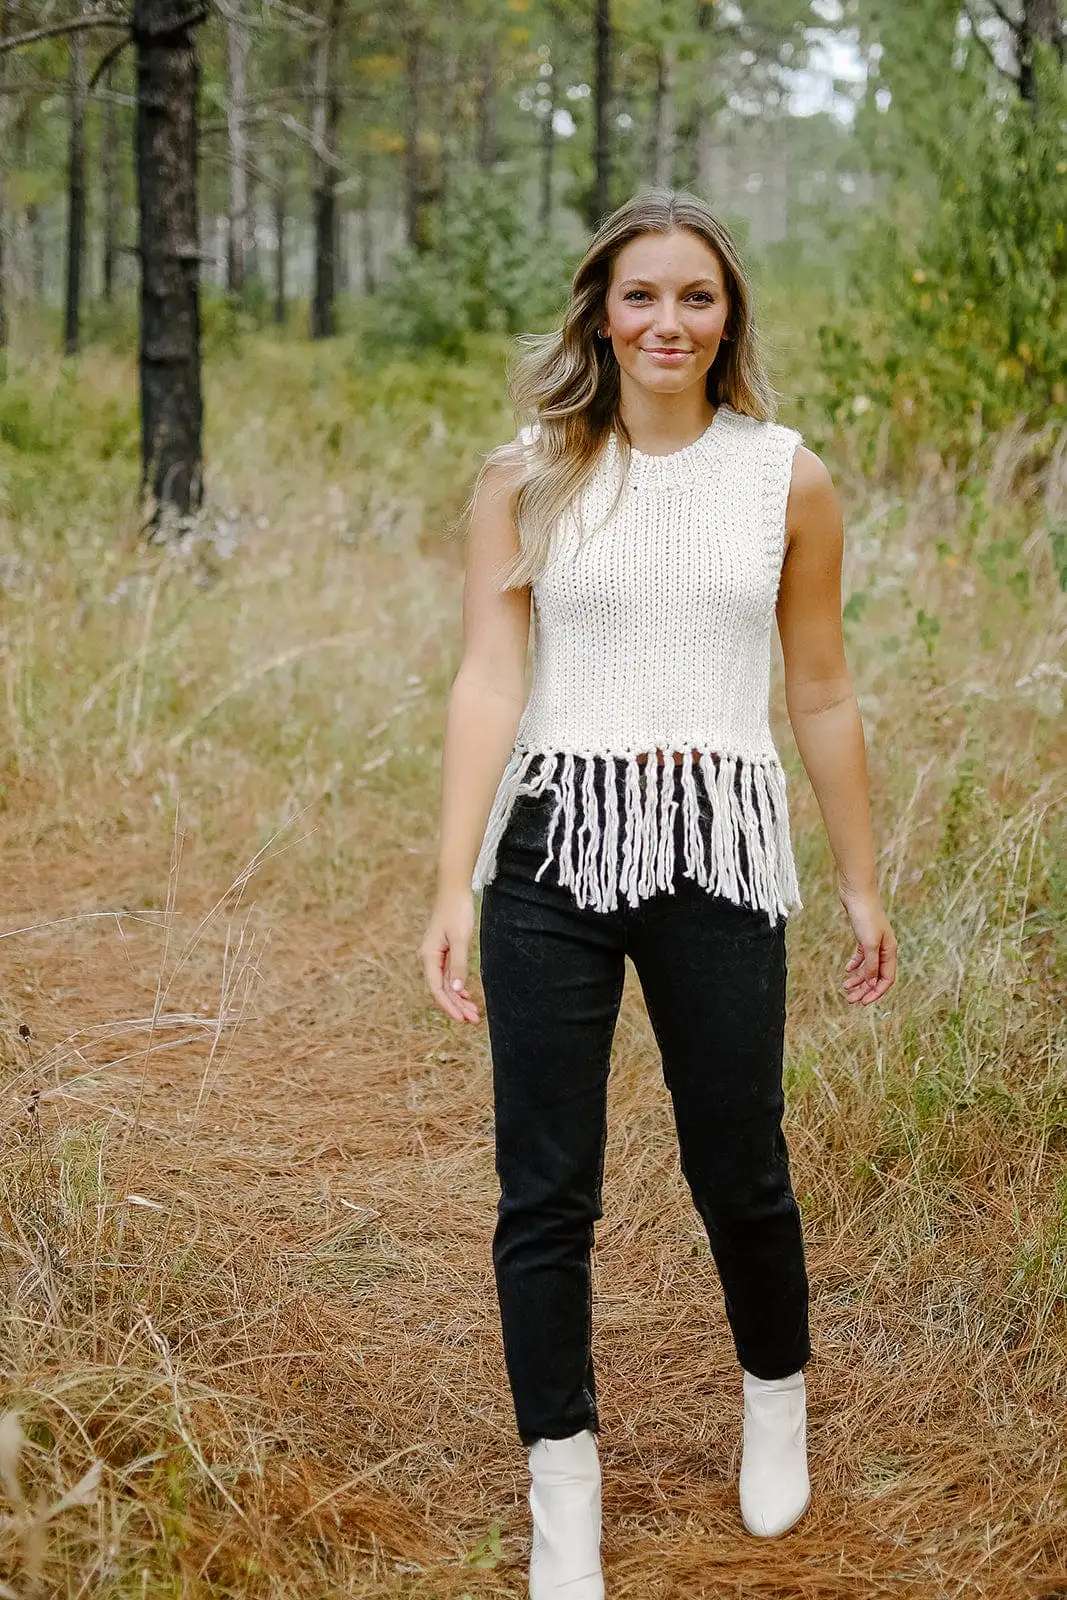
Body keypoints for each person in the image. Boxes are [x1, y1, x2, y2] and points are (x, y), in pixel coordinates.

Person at [420, 187, 897, 1599]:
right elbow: (487, 680)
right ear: (601, 313)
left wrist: (859, 881)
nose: (667, 322)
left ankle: (774, 1399)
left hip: (720, 845)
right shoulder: (524, 478)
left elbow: (818, 689)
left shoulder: (784, 477)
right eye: (641, 295)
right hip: (554, 847)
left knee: (735, 1161)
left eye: (695, 296)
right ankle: (561, 1479)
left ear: (726, 313)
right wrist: (447, 879)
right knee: (544, 1190)